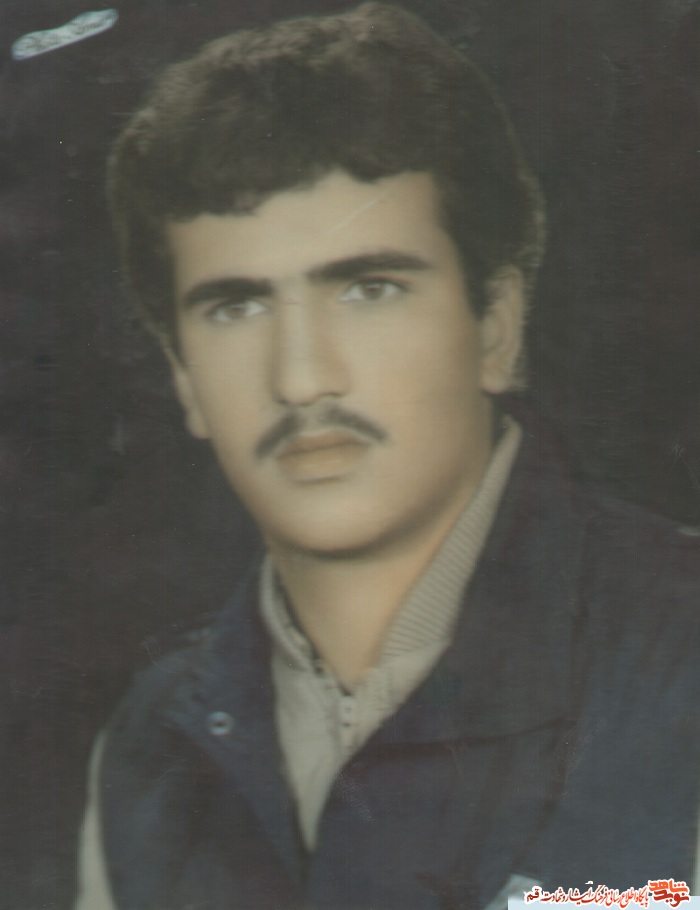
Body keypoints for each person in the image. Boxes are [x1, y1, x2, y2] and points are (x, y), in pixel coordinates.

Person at [77, 4, 700, 908]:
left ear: (497, 326)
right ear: (183, 378)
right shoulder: (148, 753)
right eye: (236, 307)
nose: (301, 379)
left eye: (369, 289)